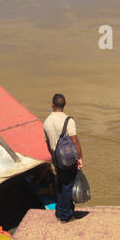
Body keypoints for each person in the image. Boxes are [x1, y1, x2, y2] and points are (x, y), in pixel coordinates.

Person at [42, 93, 83, 223]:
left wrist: (53, 156)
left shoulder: (47, 122)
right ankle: (66, 216)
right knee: (68, 186)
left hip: (56, 157)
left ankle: (60, 211)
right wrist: (80, 157)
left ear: (52, 105)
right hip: (68, 159)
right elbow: (75, 140)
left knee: (60, 183)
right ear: (65, 104)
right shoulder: (69, 121)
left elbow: (48, 143)